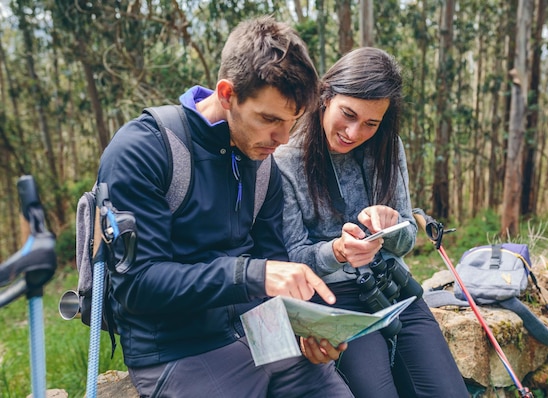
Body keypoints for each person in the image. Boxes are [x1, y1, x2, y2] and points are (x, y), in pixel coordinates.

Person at [97, 16, 353, 398]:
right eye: (269, 119)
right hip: (176, 350)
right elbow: (137, 285)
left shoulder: (264, 166)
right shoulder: (144, 150)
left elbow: (273, 261)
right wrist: (250, 274)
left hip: (262, 336)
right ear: (227, 93)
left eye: (291, 123)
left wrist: (308, 328)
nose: (281, 140)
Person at [273, 47, 469, 398]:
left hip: (394, 288)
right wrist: (337, 251)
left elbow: (408, 237)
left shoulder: (388, 147)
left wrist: (391, 227)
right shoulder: (285, 159)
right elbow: (291, 258)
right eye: (347, 114)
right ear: (325, 96)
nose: (353, 132)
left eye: (370, 124)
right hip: (337, 301)